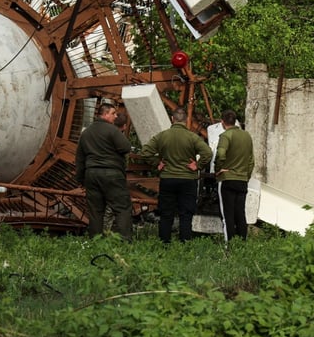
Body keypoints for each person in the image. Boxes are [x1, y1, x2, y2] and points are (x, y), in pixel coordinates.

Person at [140, 106, 212, 243]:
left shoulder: (162, 136)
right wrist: (197, 165)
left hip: (168, 178)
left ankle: (164, 243)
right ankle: (185, 242)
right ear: (186, 120)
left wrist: (157, 163)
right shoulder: (193, 137)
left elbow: (145, 152)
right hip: (187, 179)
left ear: (172, 119)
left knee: (166, 213)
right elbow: (207, 153)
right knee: (186, 214)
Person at [75, 103, 133, 240]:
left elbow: (79, 159)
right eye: (113, 113)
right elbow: (126, 147)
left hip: (91, 175)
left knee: (95, 211)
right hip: (112, 174)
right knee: (122, 208)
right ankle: (124, 240)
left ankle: (95, 240)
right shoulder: (112, 130)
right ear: (105, 114)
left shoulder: (86, 133)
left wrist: (80, 180)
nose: (115, 116)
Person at [215, 109, 255, 241]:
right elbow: (251, 160)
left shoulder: (225, 136)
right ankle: (242, 243)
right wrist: (246, 175)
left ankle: (229, 245)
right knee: (240, 214)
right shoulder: (247, 136)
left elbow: (221, 154)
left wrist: (218, 169)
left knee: (228, 215)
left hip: (227, 179)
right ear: (235, 121)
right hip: (242, 179)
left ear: (222, 122)